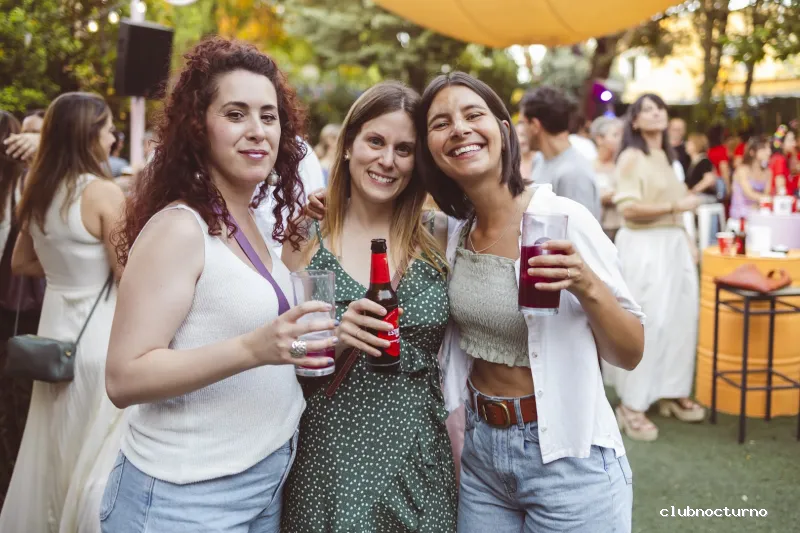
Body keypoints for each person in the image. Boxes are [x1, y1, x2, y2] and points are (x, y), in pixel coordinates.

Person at [100, 37, 335, 532]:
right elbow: (123, 378)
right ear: (197, 126)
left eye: (269, 116)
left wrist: (309, 231)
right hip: (184, 500)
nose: (258, 131)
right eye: (235, 114)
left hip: (262, 482)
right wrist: (253, 348)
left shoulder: (244, 219)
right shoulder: (179, 227)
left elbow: (249, 305)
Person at [418, 71, 644, 533]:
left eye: (473, 114)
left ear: (504, 130)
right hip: (482, 457)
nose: (459, 128)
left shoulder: (563, 218)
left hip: (567, 460)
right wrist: (329, 203)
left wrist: (586, 284)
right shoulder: (453, 232)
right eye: (441, 123)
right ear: (430, 149)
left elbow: (630, 351)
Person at [281, 81, 456, 533]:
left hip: (417, 460)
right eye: (375, 141)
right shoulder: (305, 237)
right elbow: (279, 355)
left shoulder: (437, 234)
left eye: (404, 149)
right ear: (348, 146)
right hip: (329, 463)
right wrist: (333, 339)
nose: (387, 160)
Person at [0, 92, 125, 533]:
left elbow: (21, 262)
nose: (113, 139)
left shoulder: (38, 191)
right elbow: (128, 273)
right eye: (108, 129)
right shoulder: (103, 193)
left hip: (54, 338)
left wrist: (65, 269)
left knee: (52, 446)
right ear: (88, 135)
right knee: (94, 453)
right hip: (99, 337)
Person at [603, 93, 704, 443]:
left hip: (674, 245)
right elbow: (628, 209)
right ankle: (631, 405)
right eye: (647, 109)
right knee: (650, 322)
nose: (656, 113)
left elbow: (677, 206)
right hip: (644, 247)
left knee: (680, 320)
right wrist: (677, 207)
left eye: (659, 107)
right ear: (635, 121)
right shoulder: (631, 157)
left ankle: (670, 390)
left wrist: (686, 239)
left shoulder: (669, 156)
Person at [518, 87, 601, 220]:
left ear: (535, 125)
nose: (521, 130)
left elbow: (580, 229)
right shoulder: (539, 159)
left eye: (522, 123)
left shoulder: (573, 173)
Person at [590, 115, 623, 241]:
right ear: (599, 139)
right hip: (598, 228)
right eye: (615, 135)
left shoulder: (624, 165)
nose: (619, 140)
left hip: (621, 226)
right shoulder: (588, 167)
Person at [730, 137, 772, 220]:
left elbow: (766, 194)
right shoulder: (742, 170)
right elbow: (749, 193)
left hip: (759, 214)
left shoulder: (768, 172)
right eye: (764, 148)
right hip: (741, 216)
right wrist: (769, 199)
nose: (769, 152)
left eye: (769, 148)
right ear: (752, 152)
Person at [685, 133, 718, 200]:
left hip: (704, 197)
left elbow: (709, 179)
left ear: (697, 145)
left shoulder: (704, 161)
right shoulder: (692, 163)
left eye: (689, 142)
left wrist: (693, 191)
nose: (686, 144)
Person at [769, 124, 798, 197]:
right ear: (781, 143)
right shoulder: (779, 159)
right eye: (791, 140)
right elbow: (780, 187)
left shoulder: (784, 157)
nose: (794, 143)